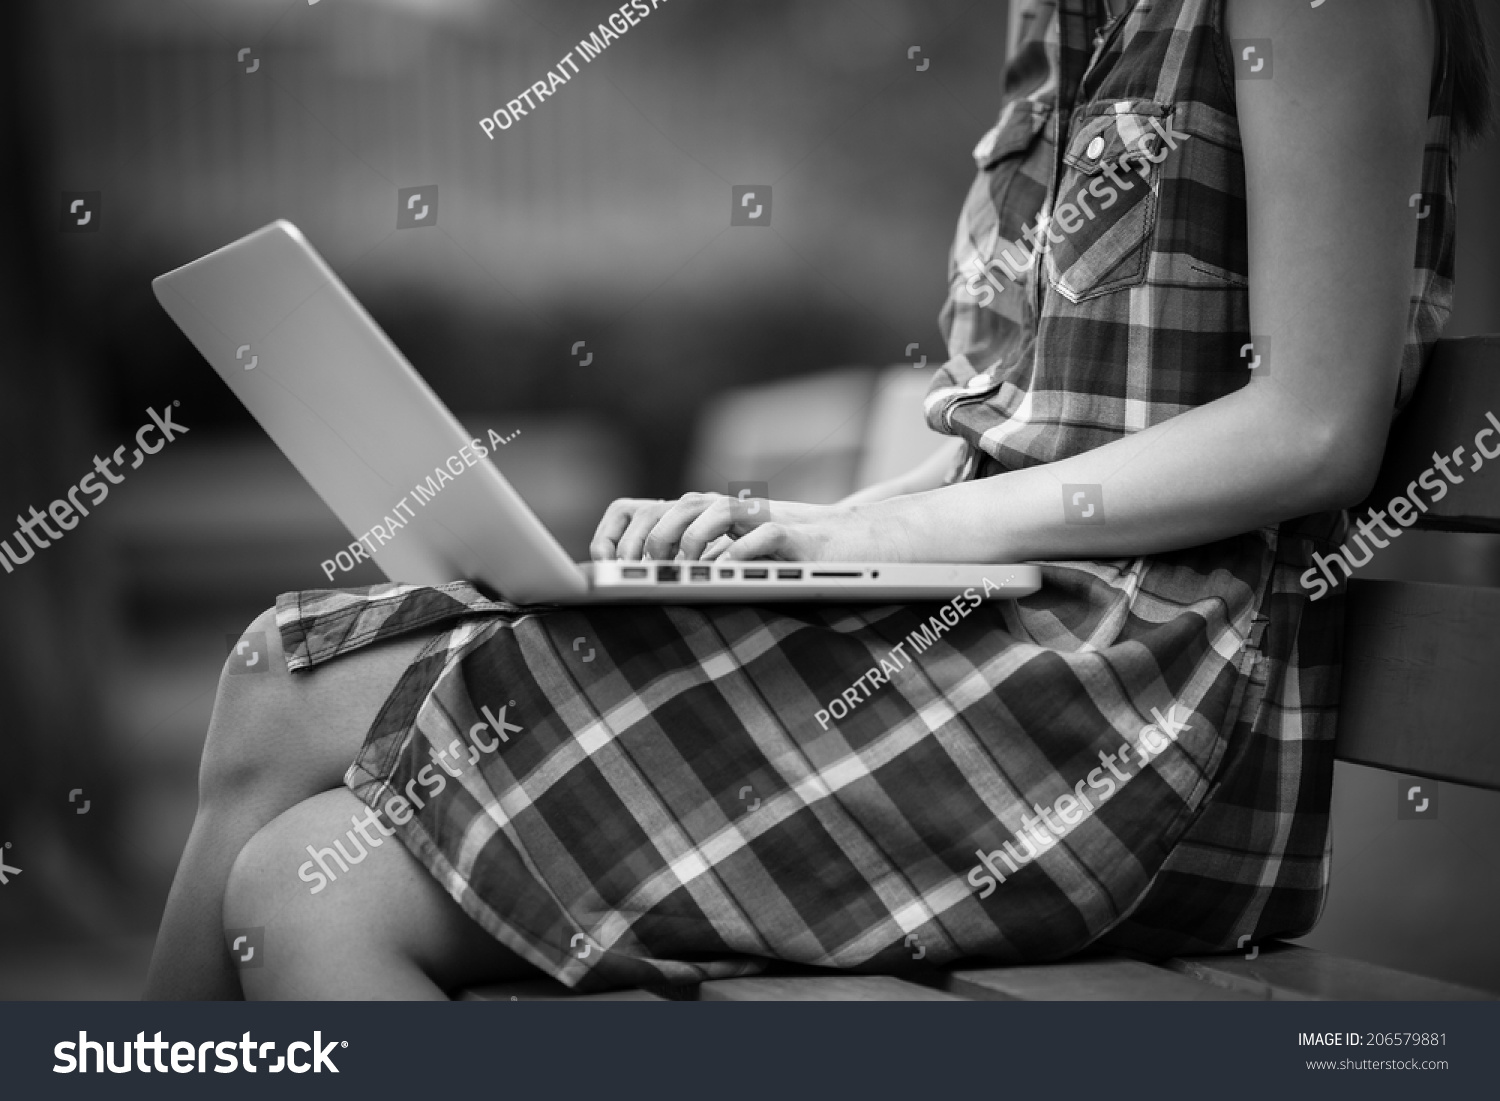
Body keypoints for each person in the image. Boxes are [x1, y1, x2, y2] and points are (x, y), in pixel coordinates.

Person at [144, 0, 1491, 999]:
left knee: (310, 895)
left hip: (1144, 702)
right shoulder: (1060, 18)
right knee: (278, 685)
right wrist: (771, 534)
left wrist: (882, 532)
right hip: (987, 635)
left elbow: (1314, 430)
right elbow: (1006, 438)